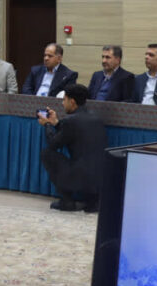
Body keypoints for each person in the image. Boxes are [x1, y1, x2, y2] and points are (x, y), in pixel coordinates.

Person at [37, 83, 107, 212]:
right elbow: (72, 133)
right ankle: (92, 201)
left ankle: (67, 201)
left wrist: (47, 125)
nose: (62, 103)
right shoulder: (96, 118)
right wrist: (56, 123)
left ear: (72, 101)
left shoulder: (71, 121)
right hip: (100, 179)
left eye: (64, 100)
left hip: (81, 178)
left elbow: (53, 144)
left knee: (47, 154)